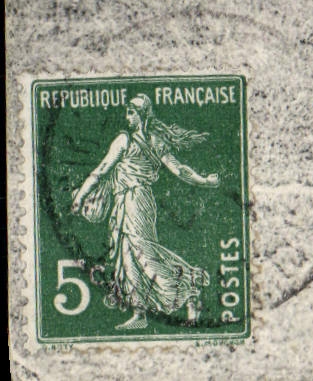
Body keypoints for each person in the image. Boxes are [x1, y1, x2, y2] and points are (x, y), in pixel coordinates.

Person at [70, 94, 219, 330]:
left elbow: (101, 171)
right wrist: (205, 181)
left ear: (142, 115)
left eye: (131, 112)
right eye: (127, 112)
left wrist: (79, 197)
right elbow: (178, 170)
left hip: (135, 201)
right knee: (127, 255)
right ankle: (140, 313)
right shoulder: (153, 140)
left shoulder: (125, 140)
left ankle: (190, 292)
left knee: (142, 254)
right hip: (130, 201)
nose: (127, 116)